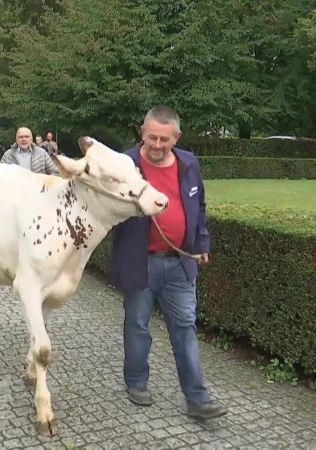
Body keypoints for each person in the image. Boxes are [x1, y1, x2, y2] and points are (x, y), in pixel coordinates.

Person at [108, 106, 228, 420]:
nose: (157, 145)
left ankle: (197, 398)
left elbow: (199, 205)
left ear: (177, 137)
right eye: (151, 138)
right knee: (137, 327)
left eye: (165, 139)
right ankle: (136, 382)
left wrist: (201, 243)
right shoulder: (125, 164)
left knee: (185, 329)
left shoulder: (189, 163)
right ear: (142, 133)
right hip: (140, 262)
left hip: (180, 264)